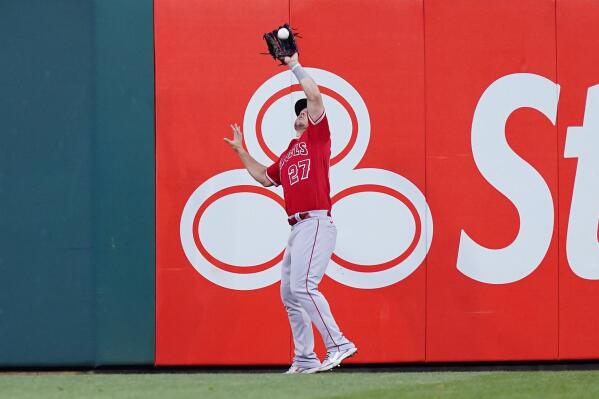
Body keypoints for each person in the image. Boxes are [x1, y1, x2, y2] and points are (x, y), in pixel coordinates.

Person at [224, 52, 357, 374]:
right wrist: (242, 152)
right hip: (298, 229)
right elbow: (263, 177)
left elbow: (314, 95)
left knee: (303, 287)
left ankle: (339, 343)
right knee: (289, 293)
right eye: (298, 113)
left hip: (315, 221)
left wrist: (293, 65)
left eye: (305, 112)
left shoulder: (317, 139)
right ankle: (304, 358)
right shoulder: (288, 153)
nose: (301, 115)